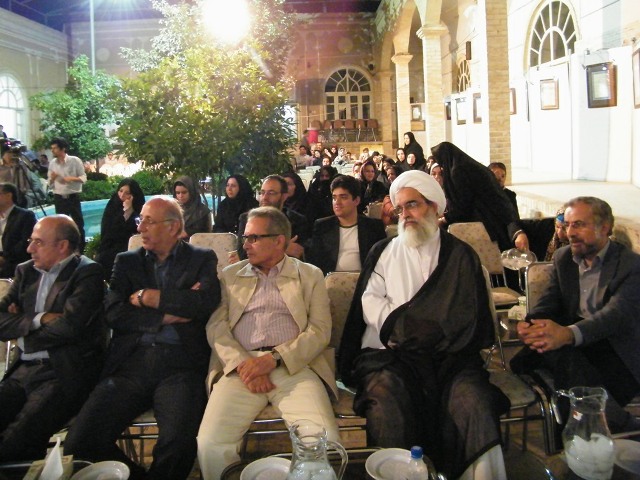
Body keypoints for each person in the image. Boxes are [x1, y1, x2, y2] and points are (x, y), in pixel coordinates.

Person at [338, 170, 509, 480]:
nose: (405, 214)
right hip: (390, 353)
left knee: (474, 402)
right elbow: (370, 301)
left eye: (413, 205)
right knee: (386, 401)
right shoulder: (383, 251)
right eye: (400, 208)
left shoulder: (461, 255)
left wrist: (431, 333)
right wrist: (404, 329)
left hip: (449, 356)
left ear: (435, 207)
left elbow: (467, 315)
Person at [65, 198, 221, 480]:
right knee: (80, 443)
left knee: (178, 443)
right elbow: (114, 313)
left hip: (181, 366)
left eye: (149, 221)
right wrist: (166, 315)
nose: (140, 228)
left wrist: (146, 297)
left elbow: (204, 303)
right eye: (140, 220)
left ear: (173, 227)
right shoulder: (127, 261)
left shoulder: (201, 258)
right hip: (130, 364)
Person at [197, 207, 339, 479]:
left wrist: (273, 359)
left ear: (279, 241)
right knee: (210, 445)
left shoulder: (310, 275)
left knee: (323, 441)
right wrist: (244, 364)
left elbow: (320, 330)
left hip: (294, 367)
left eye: (254, 238)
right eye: (245, 237)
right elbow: (216, 327)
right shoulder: (230, 275)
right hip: (240, 370)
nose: (245, 245)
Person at [512, 197, 640, 435]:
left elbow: (615, 316)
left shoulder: (630, 265)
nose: (569, 232)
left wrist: (567, 334)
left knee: (566, 362)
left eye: (579, 225)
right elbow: (549, 301)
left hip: (614, 350)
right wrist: (530, 325)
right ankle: (613, 424)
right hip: (575, 345)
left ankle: (578, 438)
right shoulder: (564, 258)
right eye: (567, 225)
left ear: (604, 227)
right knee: (567, 360)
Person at [0, 215, 105, 461]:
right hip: (22, 370)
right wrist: (40, 318)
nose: (29, 249)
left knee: (15, 441)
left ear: (62, 246)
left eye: (38, 242)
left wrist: (21, 330)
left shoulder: (87, 273)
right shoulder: (25, 271)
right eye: (30, 241)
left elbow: (70, 327)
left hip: (61, 373)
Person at [431, 141, 523, 252]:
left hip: (486, 221)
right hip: (494, 218)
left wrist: (445, 219)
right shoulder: (467, 165)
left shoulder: (458, 170)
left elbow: (464, 204)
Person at [307, 175, 386, 275]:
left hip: (366, 280)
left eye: (343, 197)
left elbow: (381, 262)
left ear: (356, 200)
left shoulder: (374, 227)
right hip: (330, 280)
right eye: (334, 198)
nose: (337, 203)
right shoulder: (322, 226)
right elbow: (315, 261)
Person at [235, 175, 308, 262]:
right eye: (262, 193)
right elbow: (243, 255)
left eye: (271, 193)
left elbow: (298, 254)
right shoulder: (247, 219)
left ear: (284, 196)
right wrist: (283, 249)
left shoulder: (297, 221)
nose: (265, 198)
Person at [95, 178, 145, 281]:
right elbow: (110, 231)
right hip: (111, 245)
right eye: (121, 191)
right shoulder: (112, 205)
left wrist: (129, 211)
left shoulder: (140, 207)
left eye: (127, 193)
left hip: (131, 246)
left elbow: (138, 229)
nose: (122, 195)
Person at [47, 137, 87, 250]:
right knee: (60, 226)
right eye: (52, 148)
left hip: (72, 197)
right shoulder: (53, 164)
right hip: (59, 197)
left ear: (63, 148)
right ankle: (64, 249)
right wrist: (52, 179)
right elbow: (49, 183)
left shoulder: (74, 161)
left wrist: (71, 179)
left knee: (78, 224)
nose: (53, 151)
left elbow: (84, 178)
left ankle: (81, 249)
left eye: (55, 148)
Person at [489, 162, 530, 252]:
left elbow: (513, 217)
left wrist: (518, 233)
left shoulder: (509, 195)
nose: (499, 179)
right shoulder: (483, 194)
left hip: (506, 233)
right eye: (496, 175)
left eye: (503, 176)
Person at [0, 183, 37, 278]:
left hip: (16, 265)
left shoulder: (25, 216)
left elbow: (26, 243)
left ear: (8, 196)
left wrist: (4, 258)